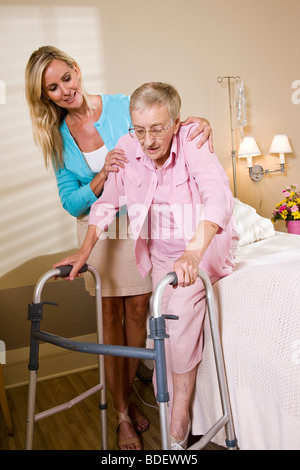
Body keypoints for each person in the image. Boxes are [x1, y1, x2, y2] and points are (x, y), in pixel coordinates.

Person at [25, 48, 213, 451]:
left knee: (137, 315)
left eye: (66, 79)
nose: (64, 91)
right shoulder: (56, 136)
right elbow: (73, 202)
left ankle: (130, 395)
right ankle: (123, 414)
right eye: (52, 88)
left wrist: (199, 123)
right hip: (98, 227)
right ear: (45, 96)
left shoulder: (120, 106)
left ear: (77, 70)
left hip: (140, 224)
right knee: (108, 317)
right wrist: (101, 176)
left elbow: (161, 127)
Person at [53, 82, 239, 450]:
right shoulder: (127, 147)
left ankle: (180, 418)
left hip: (197, 251)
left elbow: (218, 194)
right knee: (161, 333)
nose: (148, 140)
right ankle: (165, 400)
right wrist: (84, 253)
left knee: (181, 320)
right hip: (158, 255)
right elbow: (106, 204)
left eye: (157, 129)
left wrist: (192, 253)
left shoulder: (192, 140)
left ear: (175, 122)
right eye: (140, 130)